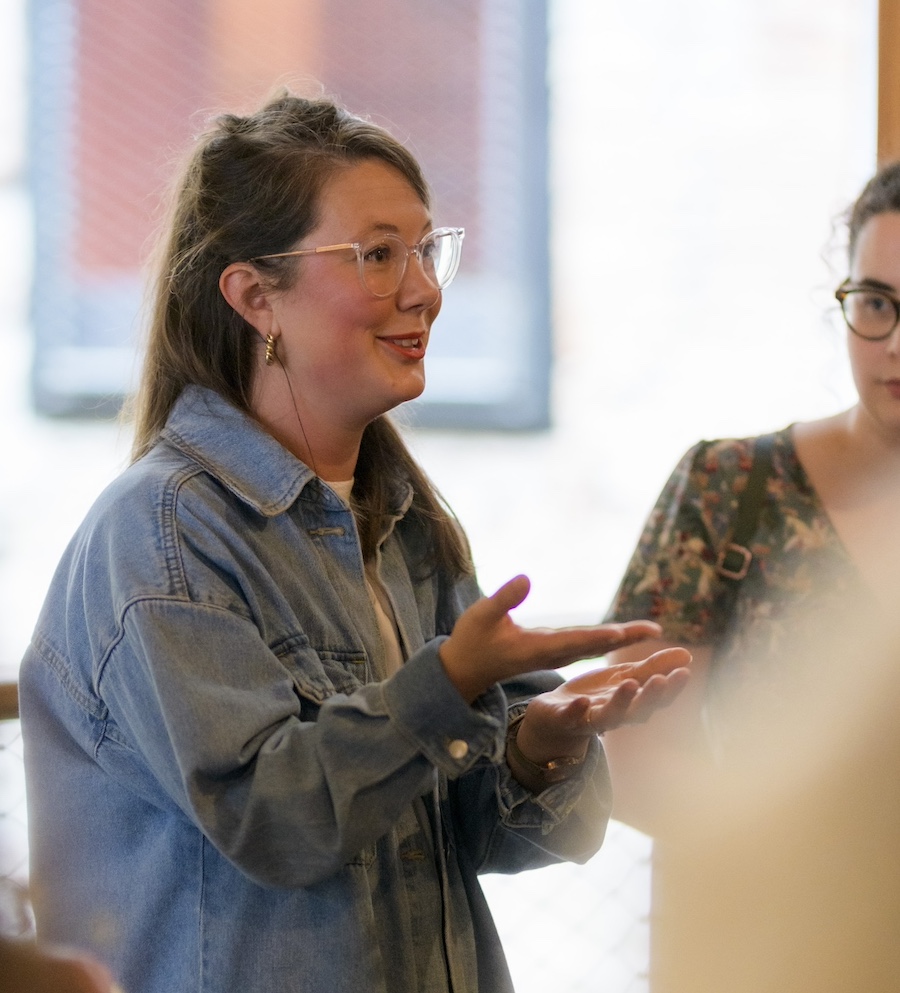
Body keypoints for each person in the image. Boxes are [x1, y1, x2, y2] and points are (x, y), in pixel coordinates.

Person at [18, 90, 690, 993]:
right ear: (256, 296)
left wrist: (542, 743)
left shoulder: (407, 519)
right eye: (377, 255)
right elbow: (276, 822)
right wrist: (447, 683)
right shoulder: (164, 532)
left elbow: (481, 834)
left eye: (425, 249)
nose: (425, 290)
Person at [601, 162, 900, 982]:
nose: (896, 344)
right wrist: (800, 867)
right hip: (777, 955)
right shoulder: (731, 487)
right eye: (876, 304)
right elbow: (632, 752)